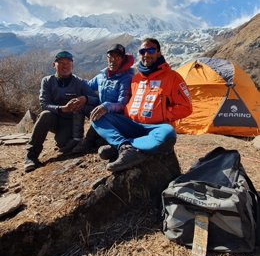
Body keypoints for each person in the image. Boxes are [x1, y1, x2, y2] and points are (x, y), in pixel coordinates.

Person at [91, 38, 192, 172]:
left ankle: (123, 146)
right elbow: (127, 102)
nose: (146, 54)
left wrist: (162, 114)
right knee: (98, 117)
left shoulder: (172, 77)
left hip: (156, 128)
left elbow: (186, 107)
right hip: (132, 125)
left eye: (151, 50)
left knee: (168, 134)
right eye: (142, 51)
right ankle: (124, 147)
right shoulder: (136, 79)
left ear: (159, 53)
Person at [24, 50, 98, 172]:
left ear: (72, 65)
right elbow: (44, 104)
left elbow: (96, 99)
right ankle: (31, 156)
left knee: (65, 146)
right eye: (61, 63)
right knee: (45, 115)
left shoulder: (79, 82)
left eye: (68, 63)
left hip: (70, 122)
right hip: (53, 119)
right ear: (54, 65)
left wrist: (85, 98)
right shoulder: (47, 81)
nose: (65, 66)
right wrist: (62, 108)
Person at [71, 43, 135, 154]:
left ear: (123, 59)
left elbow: (123, 104)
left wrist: (106, 107)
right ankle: (77, 139)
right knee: (80, 106)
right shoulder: (103, 75)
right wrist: (72, 77)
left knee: (99, 116)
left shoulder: (126, 78)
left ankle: (88, 142)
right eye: (110, 57)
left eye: (117, 57)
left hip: (116, 116)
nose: (113, 60)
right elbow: (88, 85)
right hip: (101, 109)